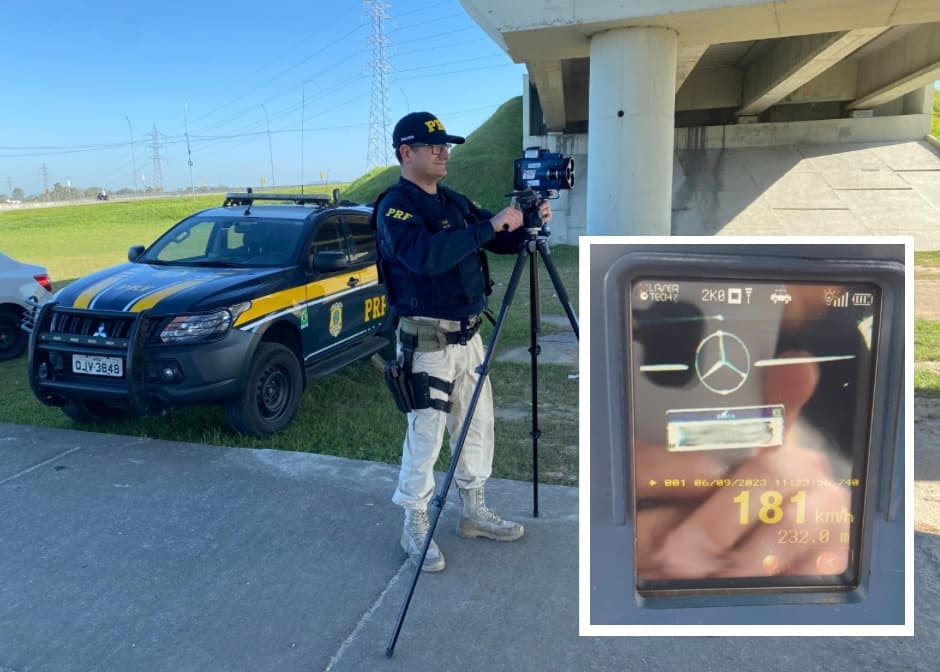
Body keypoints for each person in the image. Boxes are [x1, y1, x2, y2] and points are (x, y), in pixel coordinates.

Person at [374, 111, 551, 572]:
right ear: (404, 152)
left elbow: (494, 243)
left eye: (445, 145)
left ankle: (473, 510)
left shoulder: (453, 201)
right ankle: (414, 520)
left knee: (477, 425)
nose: (443, 152)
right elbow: (425, 257)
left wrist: (525, 226)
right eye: (432, 146)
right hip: (426, 343)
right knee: (426, 435)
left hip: (469, 336)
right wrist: (489, 226)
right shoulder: (395, 207)